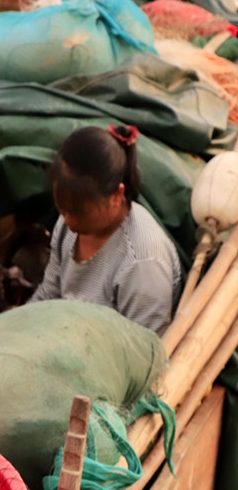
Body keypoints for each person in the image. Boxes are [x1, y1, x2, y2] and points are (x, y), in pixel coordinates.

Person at [28, 124, 182, 336]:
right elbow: (48, 294)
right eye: (62, 209)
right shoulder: (69, 224)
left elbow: (143, 355)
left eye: (79, 212)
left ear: (117, 196)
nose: (69, 221)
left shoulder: (142, 263)